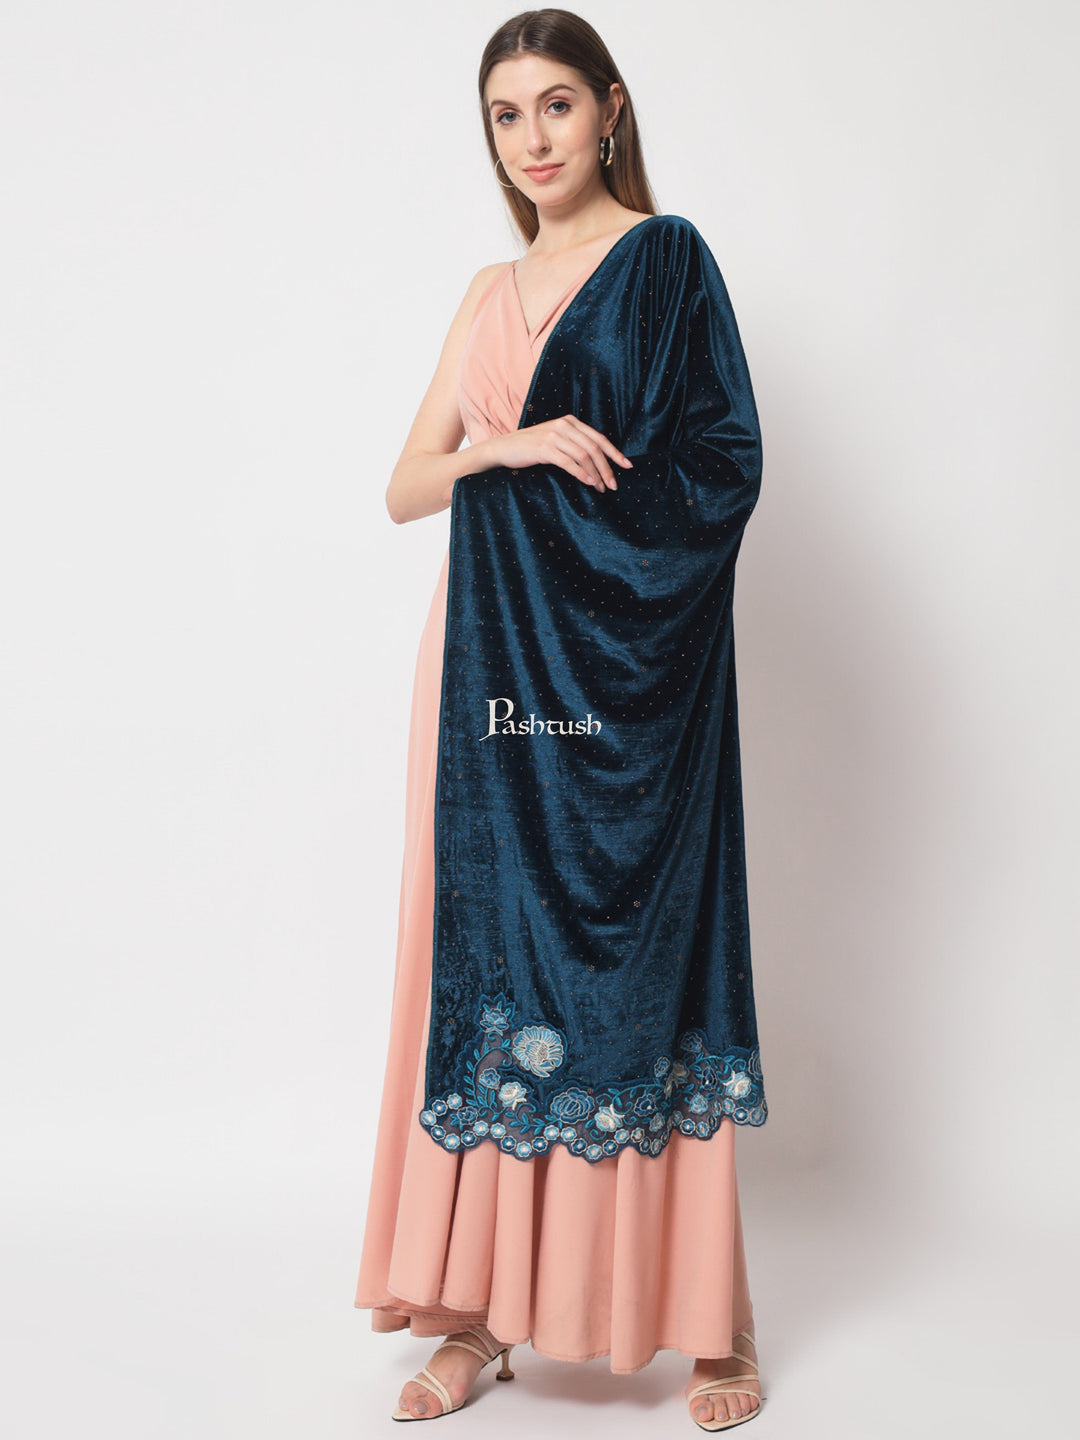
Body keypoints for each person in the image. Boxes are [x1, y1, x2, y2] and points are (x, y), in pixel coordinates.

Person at [354, 9, 766, 1432]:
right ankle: (476, 1314)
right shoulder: (487, 290)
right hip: (484, 677)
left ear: (610, 109)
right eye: (505, 114)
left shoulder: (668, 265)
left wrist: (579, 540)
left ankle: (711, 1318)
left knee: (641, 970)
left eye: (554, 105)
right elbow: (405, 487)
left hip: (625, 687)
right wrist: (510, 442)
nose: (531, 138)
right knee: (487, 967)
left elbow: (724, 466)